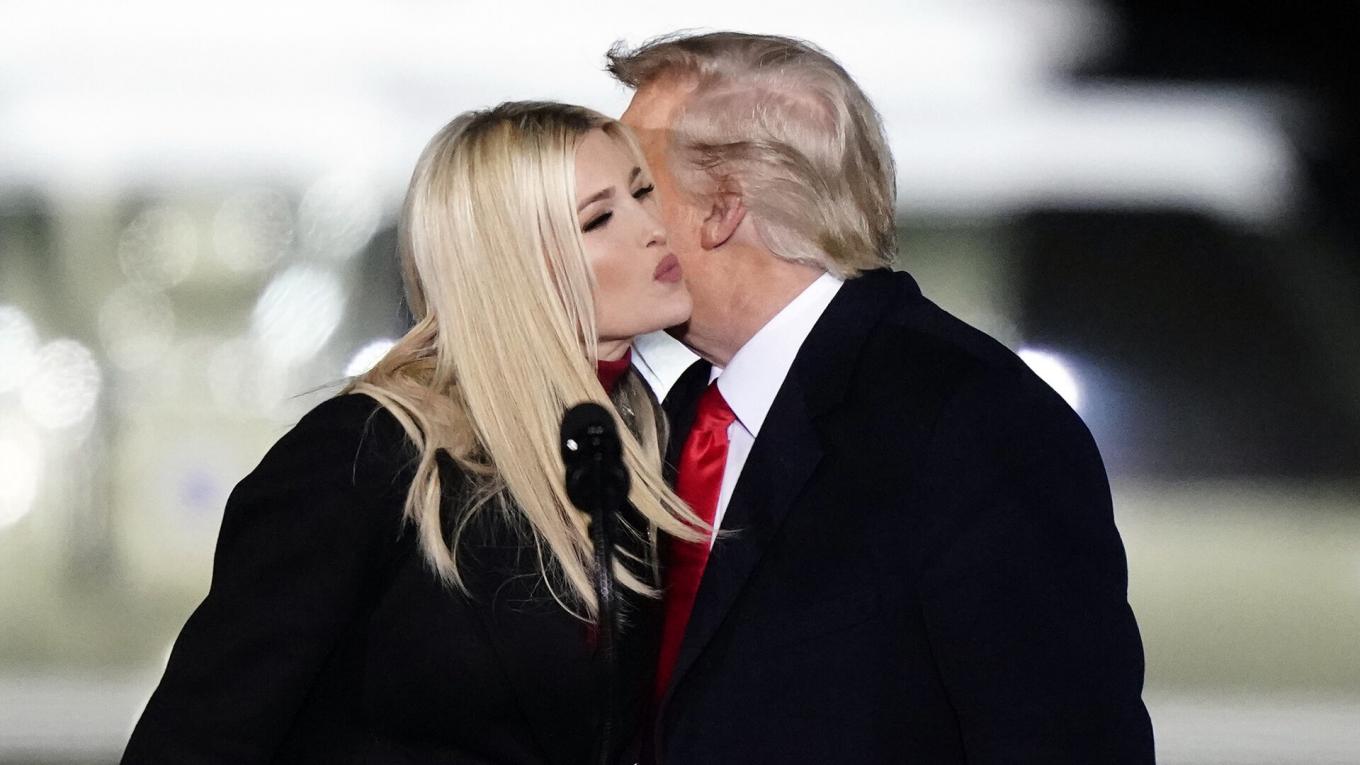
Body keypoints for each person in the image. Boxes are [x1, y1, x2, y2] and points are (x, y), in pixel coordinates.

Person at [607, 32, 1156, 763]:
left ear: (723, 208)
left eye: (638, 186)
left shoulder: (973, 422)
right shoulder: (673, 416)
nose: (610, 220)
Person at [122, 101, 706, 764]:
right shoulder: (369, 451)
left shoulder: (635, 443)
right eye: (598, 219)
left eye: (642, 192)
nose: (654, 228)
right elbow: (197, 736)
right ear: (513, 267)